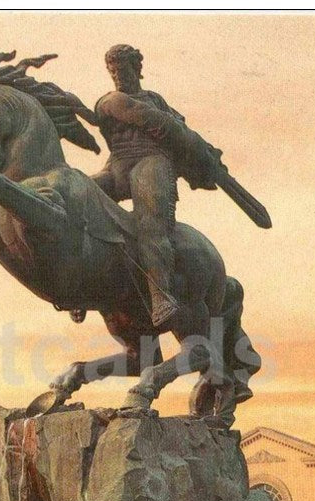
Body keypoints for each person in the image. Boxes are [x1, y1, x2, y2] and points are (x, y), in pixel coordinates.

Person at [91, 44, 224, 328]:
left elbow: (178, 129)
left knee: (151, 223)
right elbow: (152, 120)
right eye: (112, 71)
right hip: (117, 165)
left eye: (123, 70)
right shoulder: (108, 101)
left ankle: (160, 294)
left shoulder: (156, 101)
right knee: (80, 193)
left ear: (137, 69)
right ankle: (80, 284)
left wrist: (205, 154)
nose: (117, 76)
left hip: (150, 162)